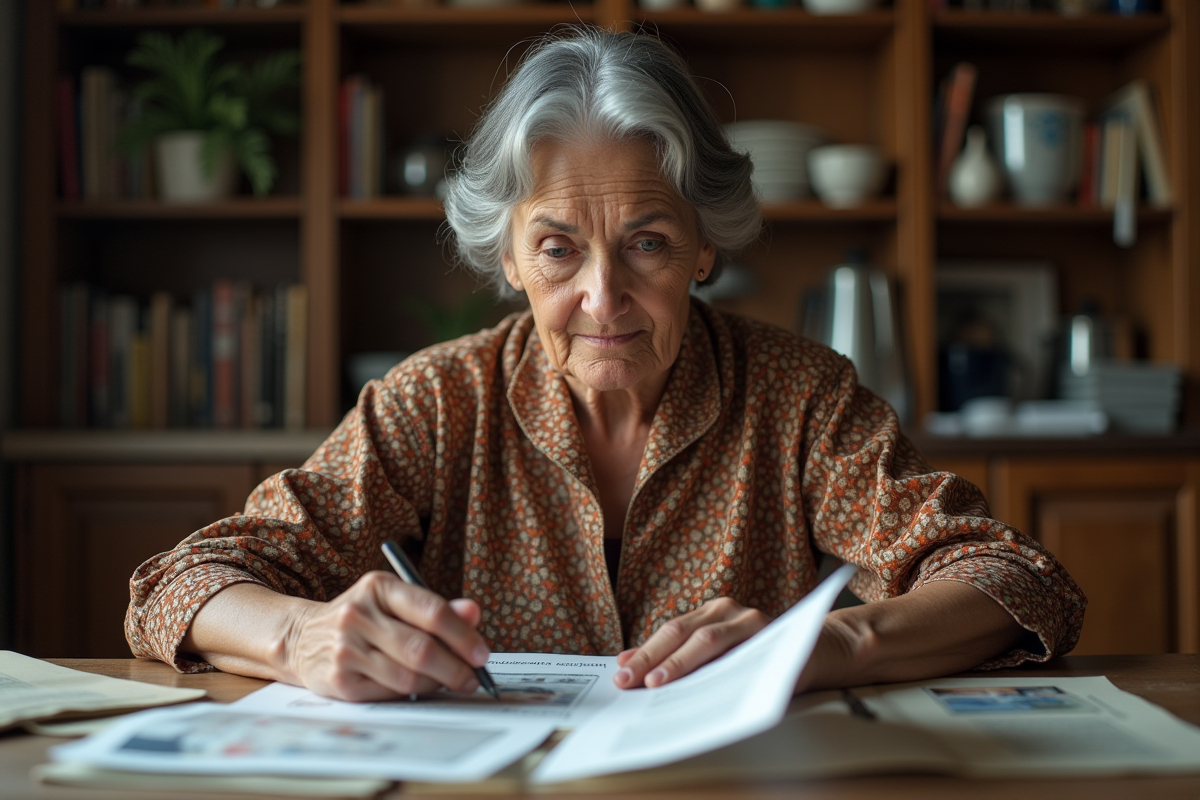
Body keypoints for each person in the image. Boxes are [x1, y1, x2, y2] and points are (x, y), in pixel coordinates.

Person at [126, 27, 1085, 703]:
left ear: (705, 248)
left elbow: (1015, 579)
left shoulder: (800, 396)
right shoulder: (434, 401)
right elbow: (188, 580)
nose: (602, 297)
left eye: (649, 243)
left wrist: (823, 646)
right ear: (506, 259)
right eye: (556, 248)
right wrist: (300, 637)